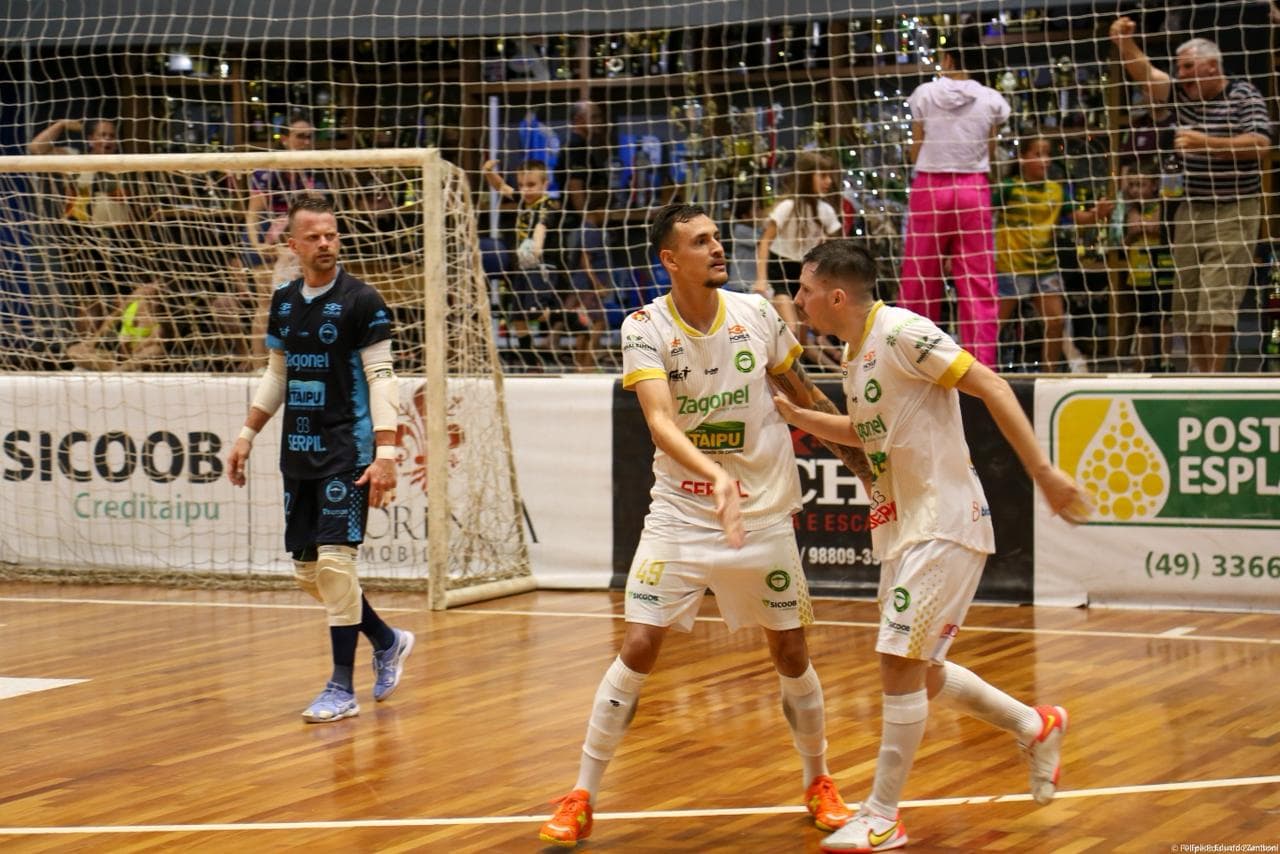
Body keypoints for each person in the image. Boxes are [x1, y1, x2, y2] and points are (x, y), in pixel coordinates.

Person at [538, 203, 873, 847]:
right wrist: (714, 477)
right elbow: (660, 422)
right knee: (639, 644)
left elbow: (806, 397)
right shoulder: (644, 328)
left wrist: (864, 470)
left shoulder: (758, 315)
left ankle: (819, 780)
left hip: (763, 513)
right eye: (700, 241)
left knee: (791, 651)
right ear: (670, 260)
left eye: (717, 237)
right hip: (682, 513)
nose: (718, 248)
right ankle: (581, 794)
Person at [776, 240, 1092, 852]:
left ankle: (883, 816)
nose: (798, 299)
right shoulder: (856, 352)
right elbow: (868, 434)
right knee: (922, 673)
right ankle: (1035, 725)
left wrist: (1044, 472)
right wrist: (796, 414)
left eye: (805, 290)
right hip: (902, 528)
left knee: (898, 664)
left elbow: (992, 385)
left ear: (836, 296)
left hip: (944, 523)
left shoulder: (903, 332)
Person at [226, 197, 415, 723]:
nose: (325, 243)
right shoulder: (285, 301)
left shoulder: (362, 300)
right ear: (293, 245)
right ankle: (386, 639)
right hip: (298, 452)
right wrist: (246, 434)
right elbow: (277, 374)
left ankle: (341, 688)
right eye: (314, 237)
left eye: (331, 234)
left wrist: (385, 453)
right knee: (310, 574)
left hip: (346, 449)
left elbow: (382, 379)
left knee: (335, 565)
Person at [1110, 18, 1271, 372]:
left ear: (1212, 66)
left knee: (1217, 299)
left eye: (1187, 67)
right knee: (1186, 302)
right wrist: (1124, 43)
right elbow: (1146, 75)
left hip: (1234, 210)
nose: (1180, 74)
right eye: (1179, 68)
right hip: (1189, 209)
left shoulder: (1244, 95)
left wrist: (1205, 143)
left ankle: (1214, 377)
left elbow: (1260, 145)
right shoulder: (1183, 95)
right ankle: (1201, 375)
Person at [897, 39, 1011, 367]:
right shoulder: (992, 99)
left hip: (930, 188)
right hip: (973, 189)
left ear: (948, 59)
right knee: (977, 282)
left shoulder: (924, 93)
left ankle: (914, 362)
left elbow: (917, 147)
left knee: (920, 277)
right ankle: (981, 366)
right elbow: (990, 149)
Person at [994, 137, 1113, 372]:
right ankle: (982, 370)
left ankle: (1049, 375)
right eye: (1038, 154)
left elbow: (1076, 218)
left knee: (1056, 321)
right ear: (1023, 158)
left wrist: (1096, 215)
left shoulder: (1056, 191)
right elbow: (982, 214)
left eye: (1047, 154)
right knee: (994, 324)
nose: (1045, 160)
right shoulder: (1008, 188)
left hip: (1045, 266)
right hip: (1011, 267)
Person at [27, 118, 140, 344]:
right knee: (89, 298)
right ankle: (84, 349)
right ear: (90, 139)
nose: (107, 140)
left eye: (111, 136)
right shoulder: (74, 159)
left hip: (119, 236)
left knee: (124, 296)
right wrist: (61, 124)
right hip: (82, 235)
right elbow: (36, 148)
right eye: (102, 135)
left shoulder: (127, 164)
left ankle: (118, 349)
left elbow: (136, 202)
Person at [242, 118, 329, 361]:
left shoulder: (314, 170)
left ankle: (296, 360)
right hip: (265, 236)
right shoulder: (267, 170)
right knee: (266, 303)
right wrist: (257, 245)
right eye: (300, 136)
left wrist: (301, 173)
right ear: (285, 139)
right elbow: (253, 213)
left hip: (298, 238)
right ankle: (258, 365)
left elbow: (321, 207)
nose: (306, 142)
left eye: (309, 136)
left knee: (304, 302)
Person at [753, 150, 844, 369]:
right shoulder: (788, 207)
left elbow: (835, 245)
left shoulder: (825, 211)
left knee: (803, 337)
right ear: (807, 177)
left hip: (804, 272)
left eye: (829, 176)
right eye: (822, 176)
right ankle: (783, 375)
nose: (828, 182)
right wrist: (761, 279)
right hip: (780, 269)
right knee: (791, 329)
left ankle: (831, 371)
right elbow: (764, 242)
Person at [481, 158, 563, 370]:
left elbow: (541, 226)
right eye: (522, 185)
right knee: (517, 317)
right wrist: (488, 172)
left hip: (541, 265)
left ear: (545, 184)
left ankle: (568, 316)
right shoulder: (524, 200)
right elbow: (502, 187)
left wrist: (536, 247)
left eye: (531, 185)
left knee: (535, 312)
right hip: (523, 267)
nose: (525, 190)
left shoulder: (549, 204)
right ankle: (531, 363)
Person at [1116, 164, 1176, 371]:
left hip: (1163, 270)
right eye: (1132, 185)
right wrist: (1133, 233)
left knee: (1164, 316)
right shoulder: (1129, 211)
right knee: (1143, 319)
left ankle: (1165, 361)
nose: (1135, 190)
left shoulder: (1163, 207)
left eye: (1141, 185)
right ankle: (1143, 362)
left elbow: (1161, 229)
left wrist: (1145, 226)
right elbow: (1125, 240)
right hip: (1139, 272)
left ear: (1154, 186)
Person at [65, 280, 169, 372]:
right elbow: (114, 316)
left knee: (155, 351)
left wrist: (126, 345)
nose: (152, 288)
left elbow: (142, 348)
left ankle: (118, 371)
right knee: (74, 350)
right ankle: (115, 370)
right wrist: (92, 341)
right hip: (116, 357)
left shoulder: (163, 320)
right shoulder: (140, 294)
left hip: (135, 358)